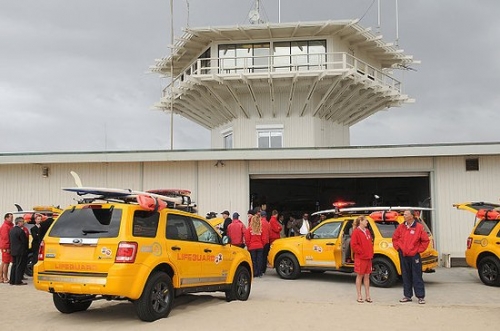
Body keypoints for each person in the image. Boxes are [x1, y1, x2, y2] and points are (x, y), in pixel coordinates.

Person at [392, 209, 430, 304]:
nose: (404, 215)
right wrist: (399, 249)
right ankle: (407, 296)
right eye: (404, 214)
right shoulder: (401, 227)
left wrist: (417, 250)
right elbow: (395, 238)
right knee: (405, 276)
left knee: (417, 276)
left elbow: (425, 241)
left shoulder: (419, 227)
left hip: (414, 256)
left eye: (406, 214)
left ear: (411, 216)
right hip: (403, 256)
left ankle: (420, 296)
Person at [350, 216, 374, 303]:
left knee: (367, 276)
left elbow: (370, 242)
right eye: (366, 221)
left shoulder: (367, 231)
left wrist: (370, 253)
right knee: (360, 275)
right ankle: (359, 295)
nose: (367, 222)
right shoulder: (356, 232)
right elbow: (354, 245)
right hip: (361, 258)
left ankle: (367, 295)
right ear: (361, 221)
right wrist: (361, 252)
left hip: (368, 257)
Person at [9, 217, 28, 285]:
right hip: (20, 250)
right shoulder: (20, 231)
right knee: (19, 266)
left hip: (13, 250)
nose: (23, 223)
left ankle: (12, 280)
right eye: (22, 222)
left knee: (14, 265)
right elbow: (24, 241)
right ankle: (17, 281)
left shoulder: (12, 230)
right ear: (19, 222)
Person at [0, 213, 14, 283]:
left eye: (12, 217)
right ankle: (4, 277)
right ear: (6, 218)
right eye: (11, 217)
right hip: (6, 247)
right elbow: (5, 238)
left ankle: (1, 277)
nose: (12, 219)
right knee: (6, 262)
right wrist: (7, 247)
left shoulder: (10, 226)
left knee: (4, 262)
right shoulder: (5, 227)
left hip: (7, 246)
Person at [260, 210, 271, 274]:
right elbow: (270, 233)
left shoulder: (260, 223)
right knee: (265, 256)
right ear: (266, 216)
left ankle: (260, 270)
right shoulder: (268, 223)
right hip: (267, 241)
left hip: (261, 242)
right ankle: (264, 270)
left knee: (260, 256)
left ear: (261, 216)